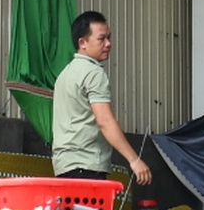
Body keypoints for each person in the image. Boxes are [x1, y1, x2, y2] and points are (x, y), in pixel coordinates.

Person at [52, 11, 152, 187]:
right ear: (82, 43)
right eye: (101, 39)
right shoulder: (93, 73)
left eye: (109, 38)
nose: (108, 44)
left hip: (64, 166)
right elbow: (105, 120)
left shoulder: (65, 74)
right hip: (86, 166)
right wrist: (134, 160)